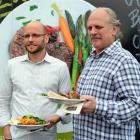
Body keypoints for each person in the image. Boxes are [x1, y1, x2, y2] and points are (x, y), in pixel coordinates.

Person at [73, 7, 140, 140]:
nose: (92, 32)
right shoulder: (91, 58)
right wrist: (75, 98)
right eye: (90, 28)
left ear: (114, 29)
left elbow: (136, 106)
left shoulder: (124, 60)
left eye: (98, 27)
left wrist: (97, 106)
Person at [0, 21, 71, 140]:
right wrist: (6, 129)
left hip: (46, 136)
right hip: (16, 135)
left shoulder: (60, 67)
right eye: (26, 36)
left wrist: (58, 116)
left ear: (46, 38)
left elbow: (69, 103)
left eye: (35, 35)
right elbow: (3, 100)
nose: (30, 39)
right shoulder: (12, 65)